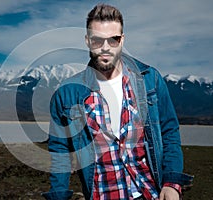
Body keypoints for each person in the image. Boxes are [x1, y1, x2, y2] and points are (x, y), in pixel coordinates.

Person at [42, 3, 193, 200]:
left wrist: (172, 183)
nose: (105, 48)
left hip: (149, 193)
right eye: (97, 40)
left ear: (122, 40)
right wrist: (59, 195)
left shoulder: (150, 80)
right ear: (87, 41)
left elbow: (169, 132)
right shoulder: (67, 93)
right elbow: (59, 150)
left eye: (113, 39)